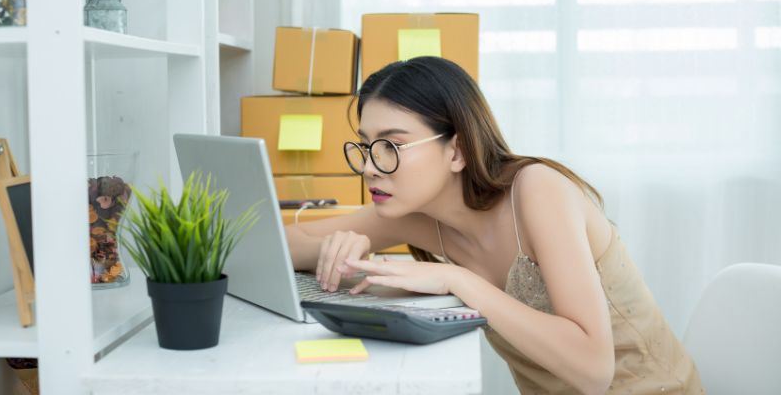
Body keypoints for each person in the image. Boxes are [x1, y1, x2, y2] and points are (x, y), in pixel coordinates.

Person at [285, 56, 703, 394]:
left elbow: (594, 370)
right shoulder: (413, 213)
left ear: (457, 150)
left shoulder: (538, 191)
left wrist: (456, 280)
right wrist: (340, 244)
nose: (371, 167)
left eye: (392, 146)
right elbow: (283, 245)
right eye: (364, 146)